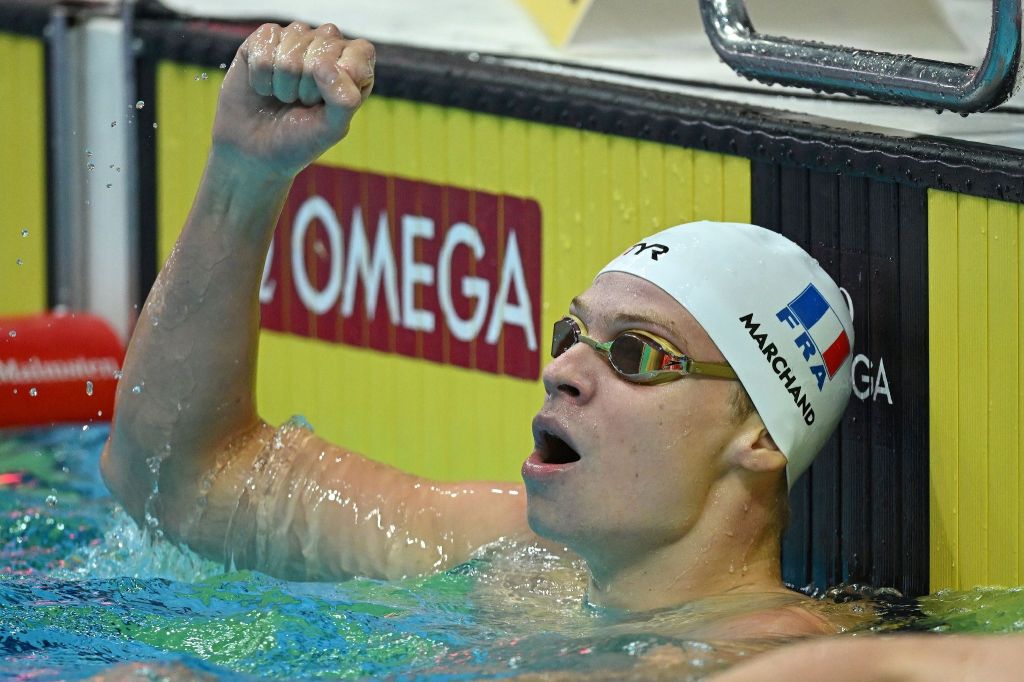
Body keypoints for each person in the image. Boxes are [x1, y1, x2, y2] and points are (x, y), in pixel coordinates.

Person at [100, 21, 857, 639]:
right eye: (571, 336)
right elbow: (178, 480)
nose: (562, 372)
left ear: (759, 437)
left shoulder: (783, 661)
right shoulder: (518, 565)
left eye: (635, 353)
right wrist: (242, 176)